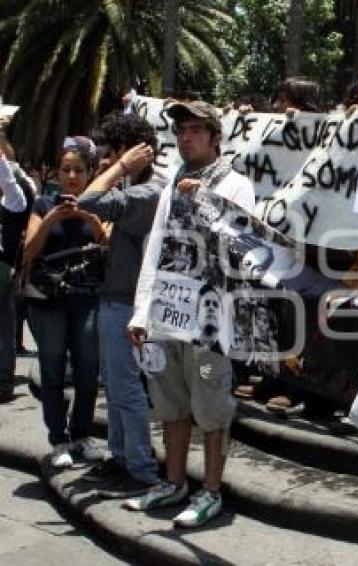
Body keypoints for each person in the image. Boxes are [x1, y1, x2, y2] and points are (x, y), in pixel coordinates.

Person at [125, 100, 255, 528]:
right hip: (167, 313)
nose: (187, 137)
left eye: (197, 129)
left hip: (210, 320)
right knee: (170, 404)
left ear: (215, 137)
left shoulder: (236, 184)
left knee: (213, 409)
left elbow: (239, 246)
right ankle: (174, 481)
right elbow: (155, 251)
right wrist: (141, 312)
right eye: (181, 130)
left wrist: (202, 201)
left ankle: (211, 490)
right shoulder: (169, 186)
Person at [75, 113, 164, 495]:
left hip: (129, 305)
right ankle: (121, 457)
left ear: (135, 153)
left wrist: (121, 169)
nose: (109, 162)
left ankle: (141, 470)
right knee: (114, 386)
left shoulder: (149, 192)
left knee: (125, 388)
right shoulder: (137, 189)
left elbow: (88, 198)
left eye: (115, 153)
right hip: (115, 299)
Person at [23, 136, 107, 468]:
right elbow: (28, 251)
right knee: (52, 368)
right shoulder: (43, 204)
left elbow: (108, 245)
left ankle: (81, 436)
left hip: (86, 297)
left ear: (90, 174)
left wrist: (89, 218)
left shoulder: (100, 204)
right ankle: (58, 440)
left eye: (78, 170)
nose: (71, 176)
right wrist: (51, 220)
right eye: (65, 169)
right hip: (48, 301)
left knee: (88, 371)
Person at [0, 126, 35, 403]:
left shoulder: (14, 196)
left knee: (5, 329)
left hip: (4, 268)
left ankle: (3, 383)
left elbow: (20, 199)